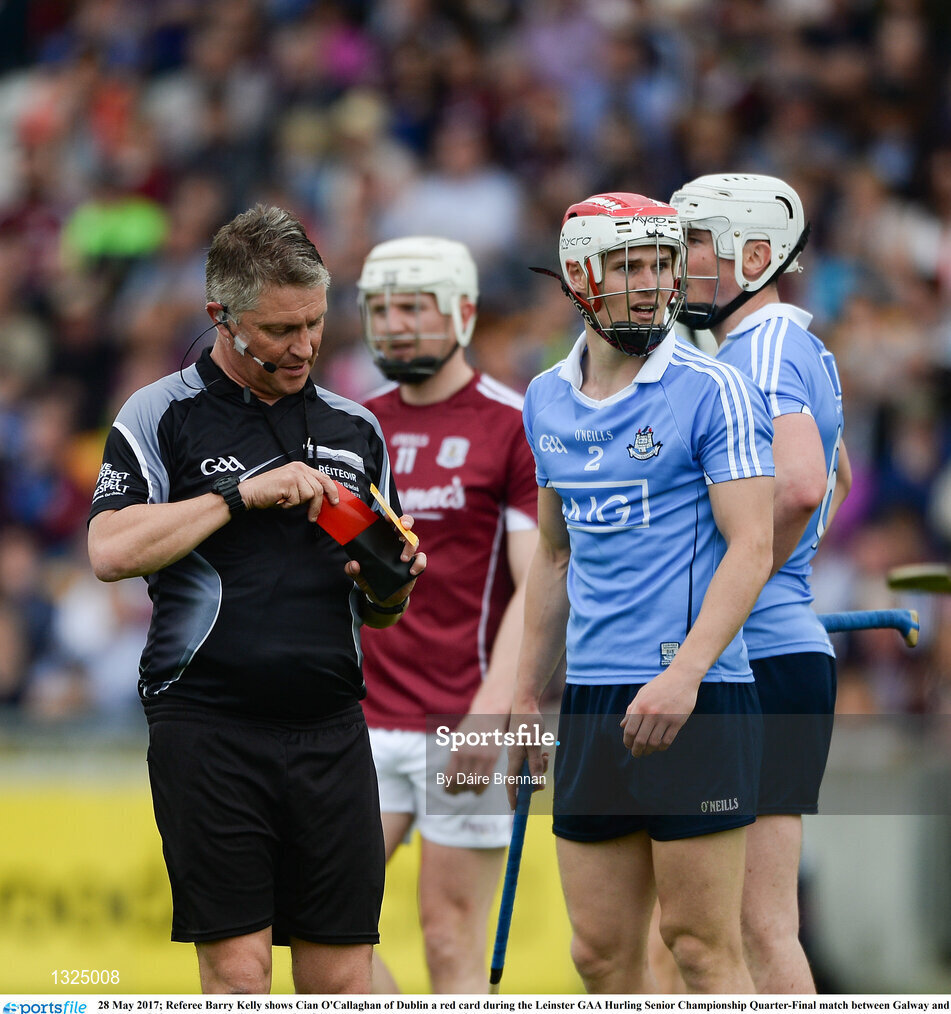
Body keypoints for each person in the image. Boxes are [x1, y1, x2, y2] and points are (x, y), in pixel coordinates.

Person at [87, 204, 425, 995]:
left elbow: (385, 609)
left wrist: (387, 581)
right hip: (208, 729)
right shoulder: (158, 414)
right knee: (238, 977)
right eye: (279, 330)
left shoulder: (357, 427)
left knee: (342, 980)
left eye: (314, 322)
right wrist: (242, 495)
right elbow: (109, 551)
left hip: (334, 729)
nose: (304, 345)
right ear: (221, 318)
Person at [508, 192, 776, 994]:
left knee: (699, 947)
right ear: (580, 277)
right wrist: (526, 695)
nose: (652, 282)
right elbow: (554, 558)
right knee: (598, 956)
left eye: (661, 263)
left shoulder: (711, 388)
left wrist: (685, 672)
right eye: (629, 265)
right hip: (591, 701)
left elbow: (751, 545)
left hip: (694, 697)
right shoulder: (543, 400)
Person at [670, 173, 851, 993]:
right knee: (743, 930)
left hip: (756, 657)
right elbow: (838, 479)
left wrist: (726, 601)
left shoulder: (764, 346)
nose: (679, 265)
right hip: (781, 647)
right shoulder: (775, 347)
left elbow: (804, 485)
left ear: (755, 253)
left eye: (695, 244)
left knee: (738, 931)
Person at [355, 236, 538, 993]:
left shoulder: (515, 422)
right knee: (309, 919)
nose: (393, 324)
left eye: (413, 306)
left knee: (449, 936)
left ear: (462, 312)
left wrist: (491, 714)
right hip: (360, 720)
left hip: (468, 718)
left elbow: (541, 585)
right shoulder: (349, 427)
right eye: (378, 308)